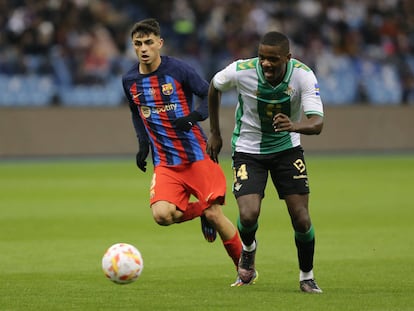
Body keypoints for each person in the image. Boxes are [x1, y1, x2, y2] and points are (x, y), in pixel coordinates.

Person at [121, 18, 242, 276]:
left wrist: (194, 117)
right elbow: (136, 112)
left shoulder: (179, 70)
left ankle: (245, 269)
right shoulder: (130, 80)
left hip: (196, 155)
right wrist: (143, 144)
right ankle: (202, 211)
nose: (143, 48)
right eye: (138, 44)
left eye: (149, 42)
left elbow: (210, 92)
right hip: (165, 163)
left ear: (159, 43)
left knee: (217, 217)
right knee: (162, 215)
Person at [207, 31, 324, 293]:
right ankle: (248, 250)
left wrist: (293, 126)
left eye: (272, 59)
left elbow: (317, 123)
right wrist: (215, 132)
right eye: (262, 58)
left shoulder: (303, 75)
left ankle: (307, 276)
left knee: (301, 219)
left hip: (287, 150)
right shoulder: (241, 70)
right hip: (248, 149)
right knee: (248, 215)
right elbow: (214, 86)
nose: (266, 64)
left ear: (287, 58)